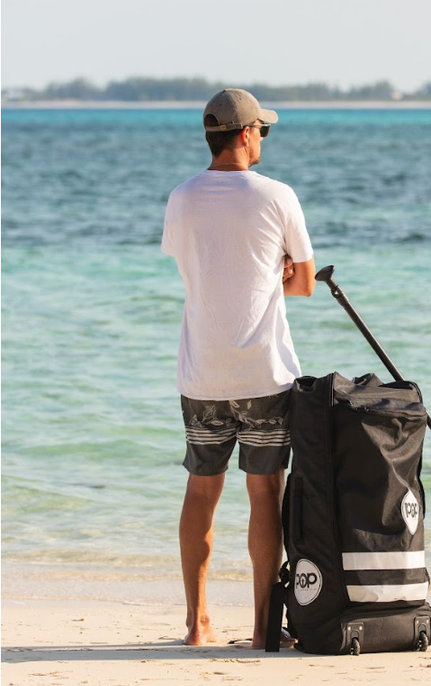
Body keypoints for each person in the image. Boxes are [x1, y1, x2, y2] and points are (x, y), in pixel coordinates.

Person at [161, 88, 315, 647]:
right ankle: (259, 627)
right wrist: (272, 277)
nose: (263, 139)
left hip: (202, 373)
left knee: (201, 492)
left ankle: (196, 624)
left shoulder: (181, 197)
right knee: (263, 493)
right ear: (246, 133)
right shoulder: (277, 196)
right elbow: (303, 283)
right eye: (263, 131)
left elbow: (192, 266)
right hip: (263, 374)